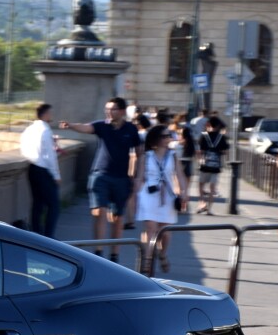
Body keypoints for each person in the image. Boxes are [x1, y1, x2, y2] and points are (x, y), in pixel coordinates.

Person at [60, 97, 142, 261]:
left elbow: (140, 153)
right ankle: (98, 253)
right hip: (100, 175)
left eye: (112, 109)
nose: (109, 112)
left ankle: (114, 255)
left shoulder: (131, 129)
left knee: (118, 218)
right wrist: (71, 125)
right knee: (99, 212)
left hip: (122, 178)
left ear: (122, 111)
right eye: (107, 109)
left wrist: (138, 176)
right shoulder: (102, 126)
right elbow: (86, 128)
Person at [134, 124, 188, 274]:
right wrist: (135, 197)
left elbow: (180, 175)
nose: (168, 138)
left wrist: (183, 192)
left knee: (165, 231)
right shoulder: (146, 156)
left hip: (168, 196)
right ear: (156, 139)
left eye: (169, 135)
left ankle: (162, 254)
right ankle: (147, 259)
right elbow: (139, 178)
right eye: (165, 136)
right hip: (149, 194)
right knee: (150, 228)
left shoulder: (173, 156)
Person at [20, 103, 61, 238]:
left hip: (32, 168)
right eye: (51, 113)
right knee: (53, 205)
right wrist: (56, 175)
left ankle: (36, 235)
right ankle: (49, 237)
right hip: (43, 170)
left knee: (37, 203)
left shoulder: (29, 129)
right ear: (46, 114)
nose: (52, 115)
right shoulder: (46, 130)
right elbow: (49, 155)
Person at [196, 116, 230, 214]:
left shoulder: (204, 136)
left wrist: (200, 160)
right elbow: (225, 152)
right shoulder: (221, 137)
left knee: (201, 185)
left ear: (209, 125)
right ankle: (209, 209)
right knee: (212, 189)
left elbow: (199, 151)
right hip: (216, 166)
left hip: (204, 165)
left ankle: (202, 203)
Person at [175, 114, 197, 209]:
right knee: (186, 188)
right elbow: (196, 155)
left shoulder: (177, 145)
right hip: (189, 164)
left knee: (179, 187)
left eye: (180, 134)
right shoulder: (192, 144)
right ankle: (186, 206)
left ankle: (179, 206)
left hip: (179, 164)